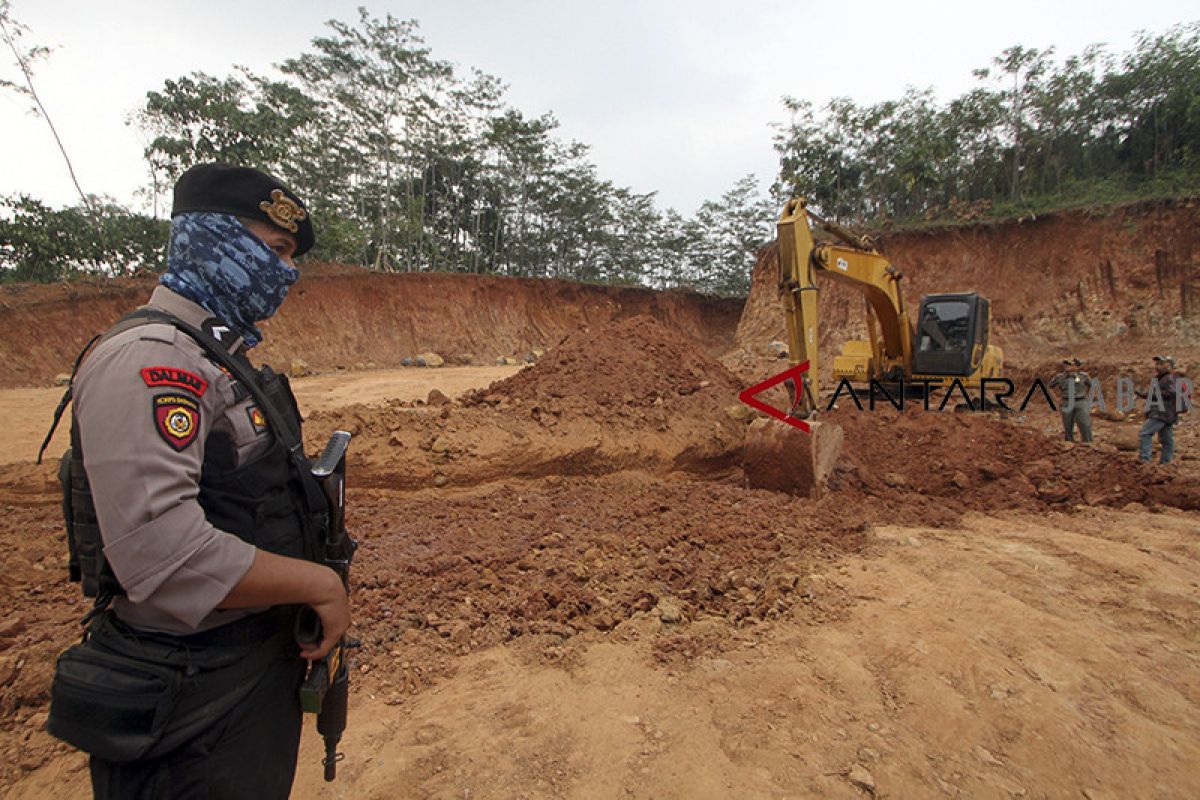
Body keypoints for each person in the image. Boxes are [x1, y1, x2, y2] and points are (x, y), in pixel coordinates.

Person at [47, 163, 350, 798]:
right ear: (210, 239)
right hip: (188, 696)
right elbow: (162, 553)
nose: (286, 274)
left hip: (234, 676)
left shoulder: (212, 354)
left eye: (290, 256)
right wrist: (318, 582)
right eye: (273, 251)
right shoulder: (154, 360)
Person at [1138, 355, 1184, 464]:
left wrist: (1150, 394)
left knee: (1145, 433)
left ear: (1169, 366)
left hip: (1161, 413)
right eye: (1157, 364)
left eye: (1161, 364)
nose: (1157, 366)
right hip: (1167, 413)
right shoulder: (1164, 378)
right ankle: (1166, 463)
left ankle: (1145, 461)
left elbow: (1171, 393)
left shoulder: (1168, 378)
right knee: (1167, 439)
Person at [1049, 357, 1094, 442]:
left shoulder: (1083, 376)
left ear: (1076, 366)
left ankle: (1088, 444)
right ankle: (1069, 444)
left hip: (1080, 401)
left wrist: (1087, 396)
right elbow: (1050, 387)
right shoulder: (1059, 377)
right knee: (1068, 425)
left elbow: (1092, 386)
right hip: (1066, 402)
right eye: (1066, 364)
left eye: (1069, 364)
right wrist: (1056, 399)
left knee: (1085, 424)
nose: (1066, 366)